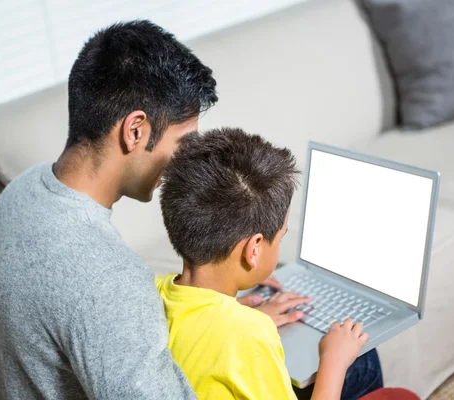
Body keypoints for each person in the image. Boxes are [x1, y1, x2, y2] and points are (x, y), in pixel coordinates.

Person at [0, 19, 381, 399]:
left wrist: (219, 317)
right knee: (362, 362)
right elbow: (104, 304)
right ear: (135, 130)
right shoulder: (108, 281)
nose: (186, 161)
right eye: (183, 142)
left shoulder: (24, 192)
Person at [157, 128, 382, 400]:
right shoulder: (250, 334)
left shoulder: (156, 291)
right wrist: (333, 362)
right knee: (364, 361)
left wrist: (239, 315)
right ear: (253, 250)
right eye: (281, 236)